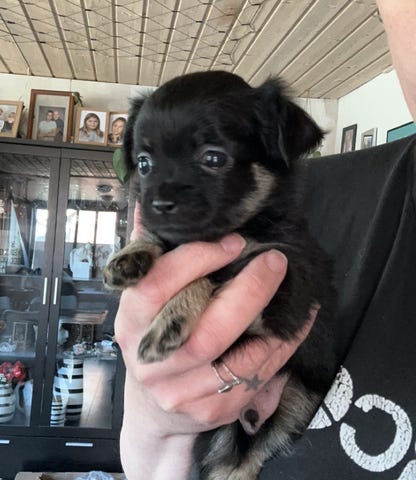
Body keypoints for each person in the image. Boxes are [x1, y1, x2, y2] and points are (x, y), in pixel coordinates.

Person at [114, 1, 416, 479]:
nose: (163, 194)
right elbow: (147, 467)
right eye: (146, 165)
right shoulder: (335, 195)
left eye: (212, 159)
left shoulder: (292, 228)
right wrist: (156, 416)